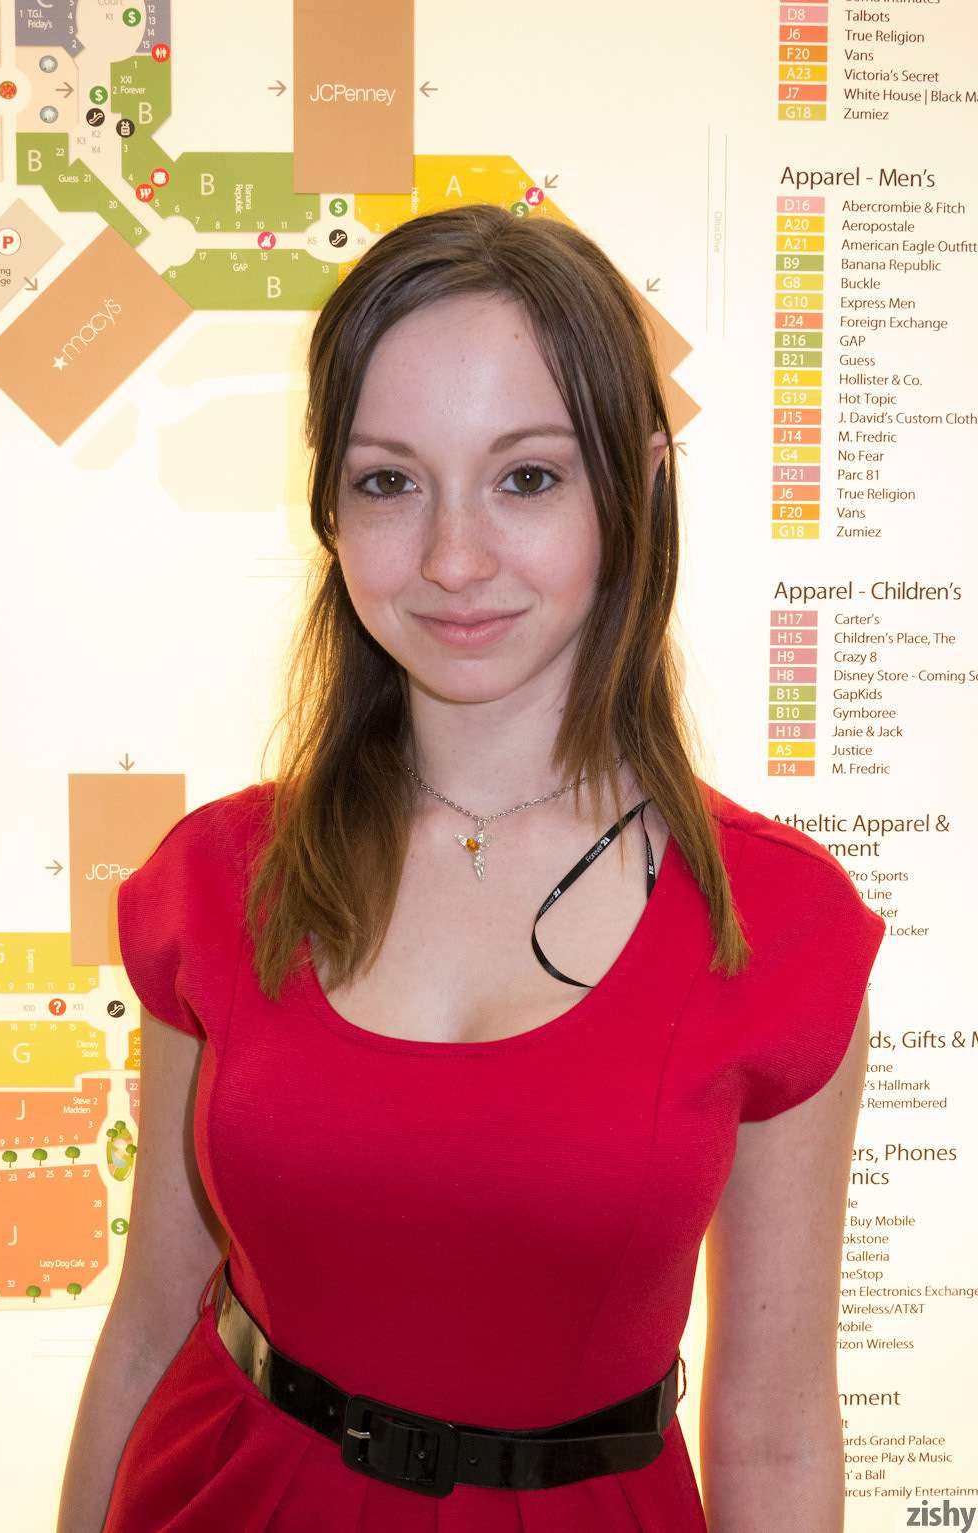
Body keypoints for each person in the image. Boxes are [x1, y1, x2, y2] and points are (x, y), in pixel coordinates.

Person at [58, 204, 885, 1533]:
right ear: (330, 506)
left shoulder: (779, 928)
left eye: (528, 478)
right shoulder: (216, 879)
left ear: (640, 484)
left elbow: (776, 1434)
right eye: (390, 482)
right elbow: (154, 1310)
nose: (453, 559)